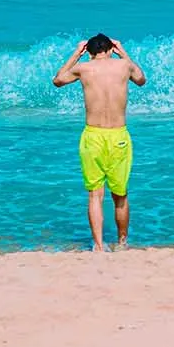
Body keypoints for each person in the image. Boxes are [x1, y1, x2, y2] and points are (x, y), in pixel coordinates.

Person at [51, 33, 146, 251]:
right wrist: (123, 51)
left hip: (93, 136)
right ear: (110, 49)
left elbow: (58, 80)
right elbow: (141, 79)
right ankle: (122, 243)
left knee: (95, 194)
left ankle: (98, 245)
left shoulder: (83, 68)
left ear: (90, 52)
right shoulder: (124, 66)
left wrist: (76, 53)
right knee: (120, 195)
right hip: (118, 135)